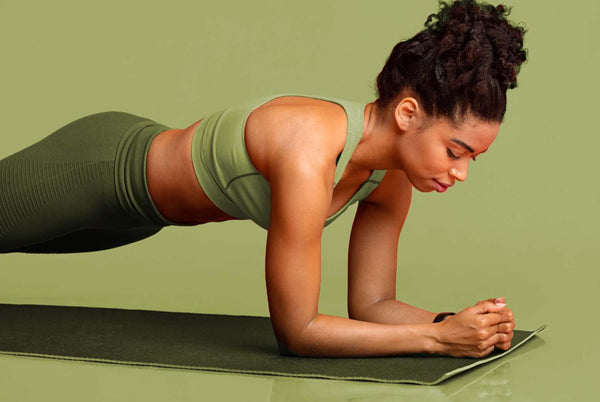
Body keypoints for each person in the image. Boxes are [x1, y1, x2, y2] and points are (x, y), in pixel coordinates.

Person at [0, 0, 527, 358]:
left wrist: (453, 323)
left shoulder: (388, 181)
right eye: (456, 151)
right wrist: (436, 343)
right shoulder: (309, 147)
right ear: (408, 114)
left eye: (472, 159)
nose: (459, 173)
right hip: (98, 170)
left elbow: (371, 306)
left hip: (137, 219)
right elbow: (297, 332)